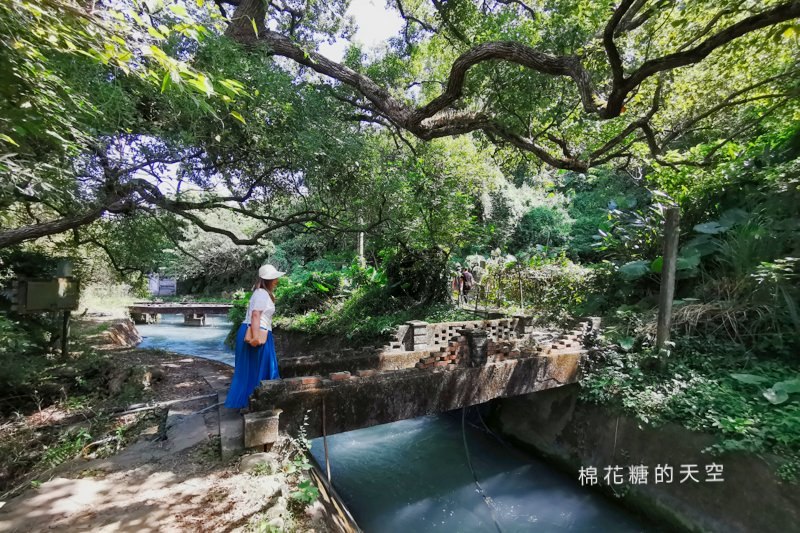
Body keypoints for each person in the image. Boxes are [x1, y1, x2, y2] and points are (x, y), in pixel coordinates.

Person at [224, 264, 285, 409]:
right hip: (256, 332)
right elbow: (256, 314)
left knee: (252, 370)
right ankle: (254, 404)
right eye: (274, 277)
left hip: (257, 331)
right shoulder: (262, 293)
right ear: (268, 279)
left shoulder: (261, 293)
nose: (276, 280)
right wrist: (255, 337)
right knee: (257, 369)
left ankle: (251, 403)